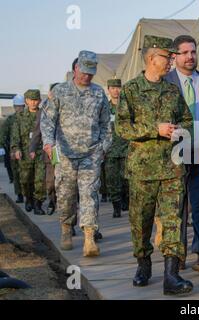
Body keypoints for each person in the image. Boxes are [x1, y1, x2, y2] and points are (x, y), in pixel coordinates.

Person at [115, 35, 193, 296]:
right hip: (142, 170)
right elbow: (122, 127)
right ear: (151, 58)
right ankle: (143, 263)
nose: (171, 61)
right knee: (141, 222)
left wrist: (179, 129)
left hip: (172, 168)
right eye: (167, 57)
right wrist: (154, 129)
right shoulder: (130, 90)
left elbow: (188, 120)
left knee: (173, 220)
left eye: (173, 57)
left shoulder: (172, 90)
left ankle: (171, 275)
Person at [41, 50, 111, 257]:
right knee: (66, 195)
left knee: (90, 194)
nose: (87, 76)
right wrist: (48, 144)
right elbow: (47, 121)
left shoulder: (98, 93)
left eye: (91, 73)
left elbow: (107, 125)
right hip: (64, 155)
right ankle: (65, 227)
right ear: (75, 68)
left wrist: (103, 148)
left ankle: (89, 237)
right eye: (84, 71)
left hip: (91, 154)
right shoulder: (60, 92)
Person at [165, 34, 199, 273]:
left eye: (193, 52)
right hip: (174, 154)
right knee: (176, 208)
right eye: (184, 53)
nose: (190, 57)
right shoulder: (165, 83)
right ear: (174, 56)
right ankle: (178, 254)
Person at [11, 89, 46, 215]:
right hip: (25, 154)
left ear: (40, 101)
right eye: (31, 100)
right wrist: (16, 149)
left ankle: (38, 204)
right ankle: (28, 199)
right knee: (26, 180)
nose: (33, 103)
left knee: (40, 180)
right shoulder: (20, 117)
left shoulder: (44, 115)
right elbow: (15, 136)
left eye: (36, 100)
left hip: (41, 152)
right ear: (26, 101)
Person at [29, 83, 59, 215]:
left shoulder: (68, 109)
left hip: (67, 153)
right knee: (51, 182)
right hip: (51, 152)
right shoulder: (43, 111)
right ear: (50, 94)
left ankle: (66, 214)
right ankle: (52, 200)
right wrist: (32, 149)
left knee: (66, 184)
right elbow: (37, 132)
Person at [104, 78, 129, 218]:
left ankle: (126, 201)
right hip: (110, 149)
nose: (116, 90)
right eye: (113, 88)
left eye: (118, 87)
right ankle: (116, 207)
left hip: (126, 148)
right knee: (112, 180)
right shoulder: (105, 108)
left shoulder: (126, 106)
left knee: (127, 179)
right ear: (108, 90)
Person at [1, 94, 25, 203]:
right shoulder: (10, 120)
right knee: (16, 173)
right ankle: (19, 194)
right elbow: (3, 134)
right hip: (14, 150)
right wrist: (2, 146)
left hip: (28, 149)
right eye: (17, 106)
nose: (19, 108)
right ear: (14, 107)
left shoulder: (29, 118)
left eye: (21, 106)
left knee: (28, 174)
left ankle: (30, 196)